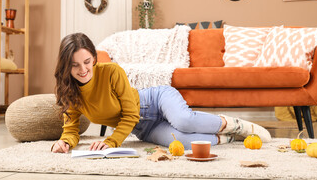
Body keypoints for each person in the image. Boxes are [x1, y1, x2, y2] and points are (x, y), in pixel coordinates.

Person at [51, 33, 271, 153]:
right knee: (184, 144)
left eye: (87, 62)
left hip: (155, 101)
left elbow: (129, 113)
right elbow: (70, 129)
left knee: (184, 120)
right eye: (74, 65)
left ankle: (238, 125)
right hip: (144, 128)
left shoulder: (111, 72)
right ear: (66, 66)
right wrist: (65, 143)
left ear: (94, 58)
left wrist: (112, 141)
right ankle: (229, 138)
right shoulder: (71, 93)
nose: (83, 70)